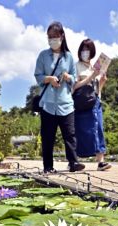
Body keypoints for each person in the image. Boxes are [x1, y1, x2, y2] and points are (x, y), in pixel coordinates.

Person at [34, 21, 85, 174]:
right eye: (49, 37)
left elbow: (74, 79)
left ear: (62, 36)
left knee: (70, 135)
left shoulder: (68, 57)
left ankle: (73, 162)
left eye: (54, 37)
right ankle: (48, 166)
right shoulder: (43, 56)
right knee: (48, 137)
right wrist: (49, 79)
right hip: (48, 104)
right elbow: (37, 76)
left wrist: (68, 77)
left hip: (66, 103)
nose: (52, 40)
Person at [73, 39, 111, 171]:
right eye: (83, 49)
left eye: (88, 49)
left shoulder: (94, 67)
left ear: (92, 52)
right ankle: (73, 161)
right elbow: (74, 86)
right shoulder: (76, 66)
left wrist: (102, 81)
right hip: (81, 104)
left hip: (95, 103)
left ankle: (101, 162)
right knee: (80, 131)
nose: (85, 52)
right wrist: (91, 77)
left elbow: (96, 91)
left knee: (98, 130)